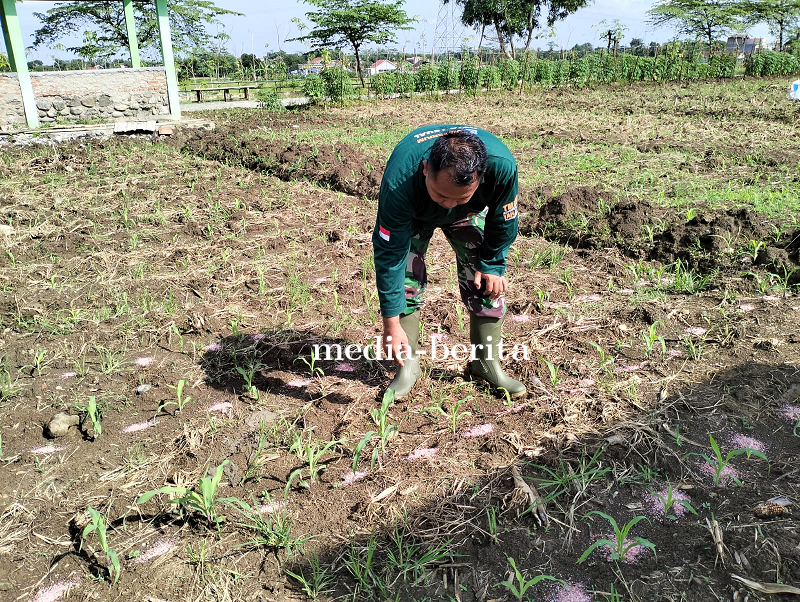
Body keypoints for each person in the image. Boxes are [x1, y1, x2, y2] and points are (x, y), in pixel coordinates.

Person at [372, 125, 526, 400]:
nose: (448, 205)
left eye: (460, 196)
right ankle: (408, 367)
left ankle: (485, 365)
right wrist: (391, 324)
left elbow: (504, 220)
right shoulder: (401, 179)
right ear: (425, 170)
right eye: (441, 195)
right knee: (406, 275)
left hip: (469, 214)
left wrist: (493, 264)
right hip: (415, 214)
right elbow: (390, 254)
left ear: (481, 178)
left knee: (485, 277)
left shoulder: (501, 166)